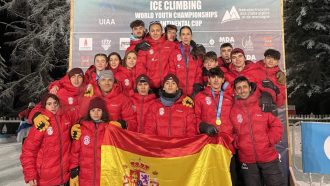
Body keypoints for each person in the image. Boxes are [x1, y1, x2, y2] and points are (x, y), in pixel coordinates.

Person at [230, 76, 284, 186]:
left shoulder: (261, 104)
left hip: (268, 157)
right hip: (247, 160)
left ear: (250, 88)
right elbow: (232, 132)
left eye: (245, 87)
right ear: (235, 91)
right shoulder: (233, 111)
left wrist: (269, 140)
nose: (242, 90)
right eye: (239, 88)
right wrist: (239, 143)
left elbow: (276, 125)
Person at [20, 94, 79, 186]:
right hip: (46, 179)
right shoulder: (41, 123)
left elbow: (79, 113)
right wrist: (30, 175)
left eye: (55, 103)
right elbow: (28, 152)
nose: (53, 106)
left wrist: (76, 125)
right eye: (49, 104)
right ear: (44, 106)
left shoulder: (66, 119)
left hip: (65, 177)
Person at [69, 97, 124, 186]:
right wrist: (74, 171)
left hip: (103, 176)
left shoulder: (109, 129)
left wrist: (124, 124)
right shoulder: (81, 129)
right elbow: (75, 153)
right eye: (93, 110)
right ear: (89, 112)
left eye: (99, 110)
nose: (96, 113)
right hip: (85, 177)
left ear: (103, 112)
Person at [136, 21, 176, 92]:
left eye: (157, 30)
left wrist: (192, 44)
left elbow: (182, 48)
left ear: (162, 32)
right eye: (152, 31)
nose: (155, 33)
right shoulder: (145, 46)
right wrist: (143, 82)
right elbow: (140, 66)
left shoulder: (170, 45)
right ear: (149, 32)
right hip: (150, 87)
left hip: (167, 85)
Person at [169, 26, 203, 97]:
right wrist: (175, 88)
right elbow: (172, 71)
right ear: (180, 36)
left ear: (191, 36)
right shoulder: (174, 51)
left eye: (188, 34)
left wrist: (197, 85)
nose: (186, 37)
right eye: (183, 34)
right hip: (178, 91)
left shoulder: (196, 51)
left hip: (193, 91)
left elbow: (199, 71)